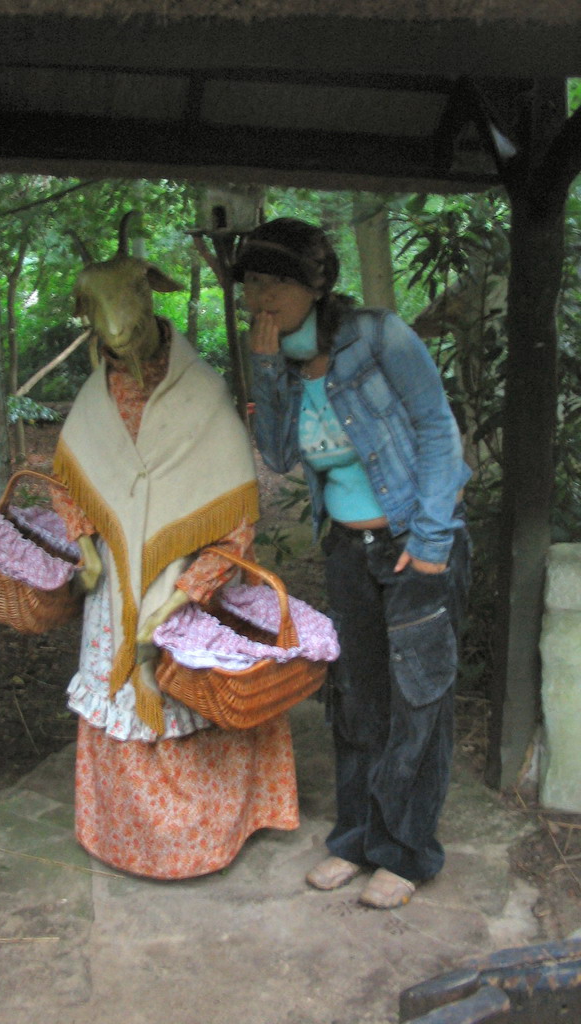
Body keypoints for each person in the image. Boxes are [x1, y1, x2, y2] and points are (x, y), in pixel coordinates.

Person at [235, 217, 471, 909]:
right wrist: (266, 369)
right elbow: (278, 456)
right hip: (348, 549)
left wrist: (430, 544)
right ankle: (358, 841)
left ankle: (406, 852)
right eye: (251, 281)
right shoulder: (276, 355)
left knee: (418, 699)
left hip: (415, 544)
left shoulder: (378, 336)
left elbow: (436, 428)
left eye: (275, 281)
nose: (260, 296)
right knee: (357, 699)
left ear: (314, 283)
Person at [51, 315, 299, 879]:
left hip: (193, 574)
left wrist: (179, 598)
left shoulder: (204, 394)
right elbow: (71, 481)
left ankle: (209, 835)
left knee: (199, 691)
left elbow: (235, 512)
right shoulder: (95, 399)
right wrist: (89, 554)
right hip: (117, 579)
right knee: (127, 695)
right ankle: (129, 835)